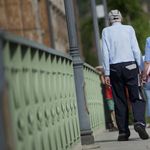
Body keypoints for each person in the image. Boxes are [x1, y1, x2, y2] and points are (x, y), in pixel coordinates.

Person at [102, 9, 149, 141]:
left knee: (119, 99)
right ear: (121, 19)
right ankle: (139, 122)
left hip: (115, 68)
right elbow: (135, 48)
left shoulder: (106, 31)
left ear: (109, 21)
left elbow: (105, 53)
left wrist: (106, 73)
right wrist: (141, 69)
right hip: (130, 66)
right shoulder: (129, 29)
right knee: (137, 96)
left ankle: (123, 133)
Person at [95, 66, 118, 130]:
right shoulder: (113, 74)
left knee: (113, 111)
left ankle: (116, 125)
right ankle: (118, 124)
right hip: (114, 94)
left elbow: (103, 82)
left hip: (109, 95)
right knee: (115, 110)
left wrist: (101, 75)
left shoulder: (106, 77)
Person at [142, 39, 150, 128]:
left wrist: (144, 75)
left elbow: (146, 63)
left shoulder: (148, 40)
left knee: (149, 101)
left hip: (147, 82)